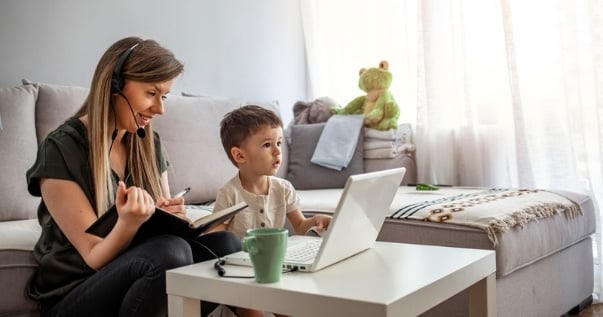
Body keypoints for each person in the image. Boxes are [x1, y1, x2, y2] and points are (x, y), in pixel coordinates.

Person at [26, 36, 241, 317]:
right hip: (75, 293)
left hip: (132, 284)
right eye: (151, 93)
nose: (160, 109)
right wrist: (128, 222)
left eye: (163, 97)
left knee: (227, 246)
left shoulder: (149, 144)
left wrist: (172, 217)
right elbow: (93, 256)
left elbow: (160, 230)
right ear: (115, 85)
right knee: (171, 252)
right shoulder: (60, 149)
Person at [214, 105, 332, 317]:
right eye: (267, 145)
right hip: (241, 274)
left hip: (276, 269)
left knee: (292, 308)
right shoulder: (229, 192)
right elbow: (215, 238)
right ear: (240, 155)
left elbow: (300, 226)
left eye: (278, 143)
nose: (278, 151)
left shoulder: (283, 188)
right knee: (252, 308)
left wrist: (315, 221)